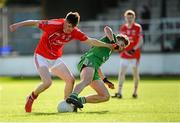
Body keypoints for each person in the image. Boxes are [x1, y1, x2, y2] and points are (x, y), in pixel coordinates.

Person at [9, 12, 116, 113]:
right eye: (66, 25)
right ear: (64, 21)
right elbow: (35, 22)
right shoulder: (54, 24)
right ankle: (31, 97)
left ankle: (67, 104)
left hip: (55, 59)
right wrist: (18, 25)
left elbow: (91, 41)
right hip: (41, 56)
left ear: (74, 27)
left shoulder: (75, 32)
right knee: (47, 83)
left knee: (70, 80)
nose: (67, 29)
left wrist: (108, 45)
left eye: (70, 27)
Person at [66, 26, 130, 109]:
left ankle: (78, 101)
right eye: (121, 44)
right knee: (87, 80)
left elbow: (98, 67)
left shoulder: (109, 52)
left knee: (105, 96)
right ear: (116, 39)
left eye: (122, 47)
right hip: (88, 59)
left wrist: (105, 80)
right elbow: (107, 28)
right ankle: (73, 96)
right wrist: (112, 41)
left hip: (94, 66)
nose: (120, 47)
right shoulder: (111, 39)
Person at [112, 10, 143, 99]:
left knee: (135, 73)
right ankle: (119, 92)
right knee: (121, 73)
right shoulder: (123, 28)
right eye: (127, 17)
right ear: (125, 18)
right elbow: (120, 41)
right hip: (124, 54)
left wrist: (134, 49)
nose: (129, 19)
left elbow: (140, 40)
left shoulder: (137, 27)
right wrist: (121, 49)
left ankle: (135, 91)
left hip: (135, 55)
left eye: (131, 17)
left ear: (134, 18)